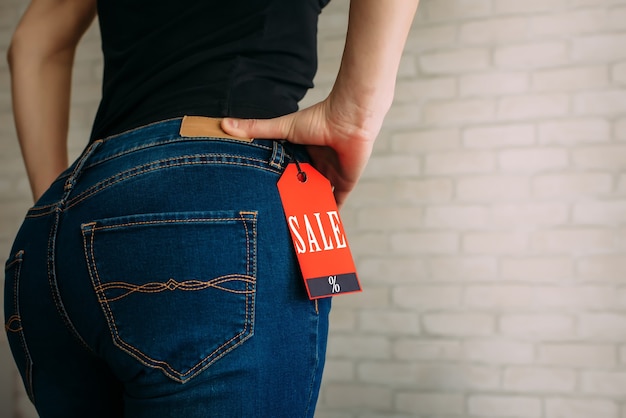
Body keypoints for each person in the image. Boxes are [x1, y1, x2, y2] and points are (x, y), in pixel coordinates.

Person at [4, 0, 419, 416]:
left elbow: (33, 44)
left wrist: (59, 208)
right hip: (220, 192)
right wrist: (354, 115)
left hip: (59, 226)